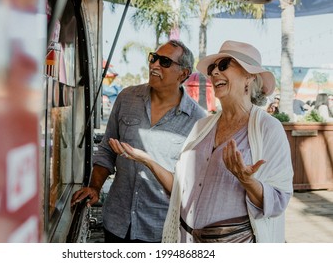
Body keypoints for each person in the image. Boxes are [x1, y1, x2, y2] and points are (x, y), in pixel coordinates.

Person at [109, 40, 293, 243]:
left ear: (249, 77)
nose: (214, 73)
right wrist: (146, 160)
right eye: (213, 68)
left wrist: (247, 180)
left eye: (223, 66)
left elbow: (278, 201)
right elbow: (179, 188)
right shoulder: (202, 127)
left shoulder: (268, 128)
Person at [71, 39, 206, 242]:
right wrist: (95, 187)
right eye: (154, 58)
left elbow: (189, 185)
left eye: (165, 62)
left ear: (184, 74)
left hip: (159, 229)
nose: (155, 65)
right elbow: (107, 150)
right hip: (117, 222)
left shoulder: (198, 120)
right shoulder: (127, 98)